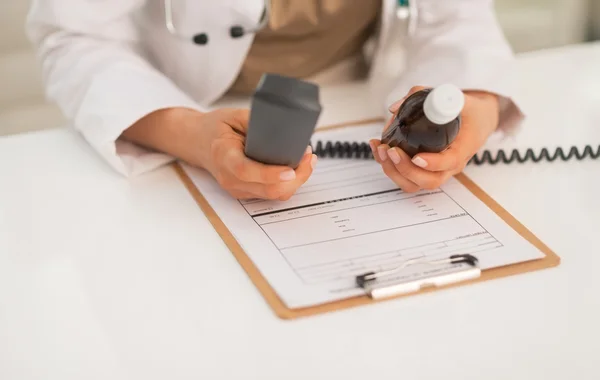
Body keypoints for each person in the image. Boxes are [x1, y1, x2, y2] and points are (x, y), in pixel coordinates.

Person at [25, 0, 522, 200]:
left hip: (349, 91)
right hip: (172, 98)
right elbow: (72, 38)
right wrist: (190, 133)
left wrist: (474, 98)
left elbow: (457, 21)